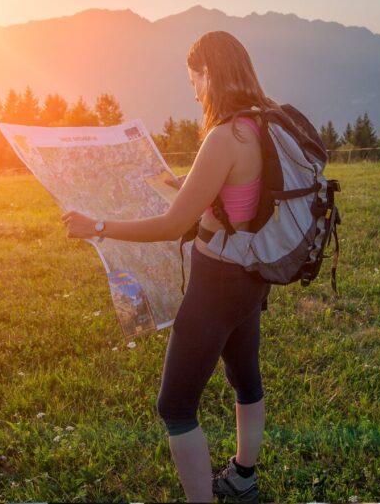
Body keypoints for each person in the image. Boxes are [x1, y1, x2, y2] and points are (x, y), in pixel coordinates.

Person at [61, 30, 282, 503]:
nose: (194, 90)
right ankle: (244, 478)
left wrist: (97, 225)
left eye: (195, 79)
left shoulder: (225, 135)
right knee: (246, 377)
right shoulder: (262, 123)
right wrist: (188, 185)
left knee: (175, 405)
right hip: (252, 277)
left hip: (218, 282)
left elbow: (172, 225)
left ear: (211, 73)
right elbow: (240, 197)